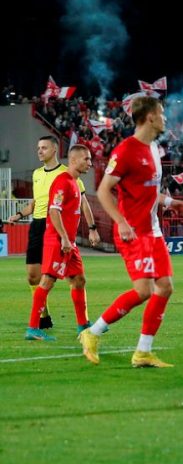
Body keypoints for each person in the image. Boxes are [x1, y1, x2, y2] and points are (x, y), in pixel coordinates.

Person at [79, 97, 183, 366]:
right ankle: (92, 333)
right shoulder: (126, 150)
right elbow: (104, 190)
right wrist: (121, 221)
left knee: (164, 287)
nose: (165, 118)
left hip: (152, 231)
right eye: (161, 113)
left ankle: (143, 351)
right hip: (132, 232)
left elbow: (148, 189)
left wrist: (169, 202)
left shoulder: (153, 148)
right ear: (150, 117)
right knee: (143, 290)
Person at [6, 136, 99, 340]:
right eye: (87, 159)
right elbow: (54, 211)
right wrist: (64, 238)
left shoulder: (74, 182)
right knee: (45, 280)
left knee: (79, 280)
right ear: (74, 160)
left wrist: (89, 229)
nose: (90, 163)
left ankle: (83, 324)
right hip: (58, 239)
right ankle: (34, 328)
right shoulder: (62, 181)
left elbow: (79, 207)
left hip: (68, 241)